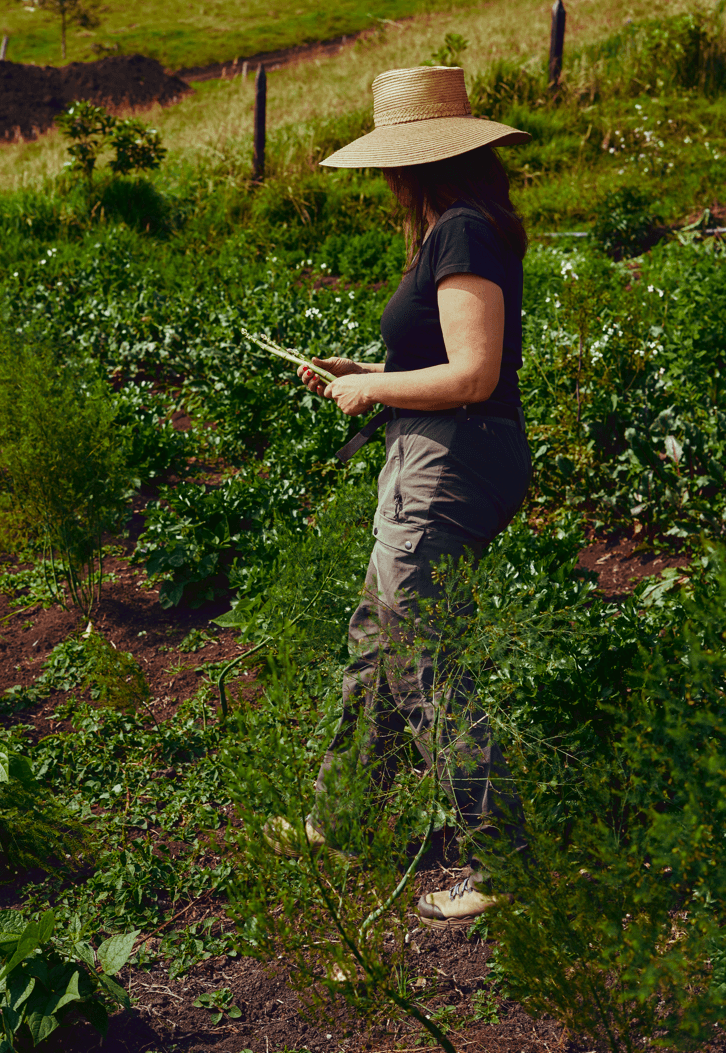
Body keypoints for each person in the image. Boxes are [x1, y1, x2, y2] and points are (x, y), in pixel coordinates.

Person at [268, 65, 533, 922]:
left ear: (410, 164)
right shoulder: (450, 230)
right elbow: (446, 365)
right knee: (378, 643)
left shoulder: (459, 232)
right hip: (434, 450)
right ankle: (339, 818)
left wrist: (374, 394)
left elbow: (474, 374)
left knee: (420, 654)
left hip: (454, 458)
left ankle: (502, 863)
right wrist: (369, 373)